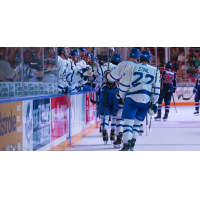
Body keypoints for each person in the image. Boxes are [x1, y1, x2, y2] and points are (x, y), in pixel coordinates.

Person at [117, 50, 160, 151]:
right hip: (145, 99)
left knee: (128, 122)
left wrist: (121, 96)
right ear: (150, 59)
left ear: (140, 58)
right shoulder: (155, 70)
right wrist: (154, 102)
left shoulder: (132, 67)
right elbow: (156, 88)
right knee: (137, 123)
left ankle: (126, 145)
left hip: (131, 98)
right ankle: (132, 144)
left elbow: (124, 83)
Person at [106, 48, 141, 148]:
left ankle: (119, 137)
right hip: (136, 94)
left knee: (120, 116)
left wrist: (108, 73)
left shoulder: (123, 64)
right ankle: (132, 140)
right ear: (139, 57)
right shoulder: (141, 66)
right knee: (133, 119)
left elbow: (111, 78)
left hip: (122, 93)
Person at [98, 53, 122, 144]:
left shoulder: (105, 65)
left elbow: (96, 73)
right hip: (116, 93)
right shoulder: (121, 67)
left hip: (105, 93)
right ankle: (113, 132)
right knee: (115, 115)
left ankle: (104, 130)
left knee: (105, 114)